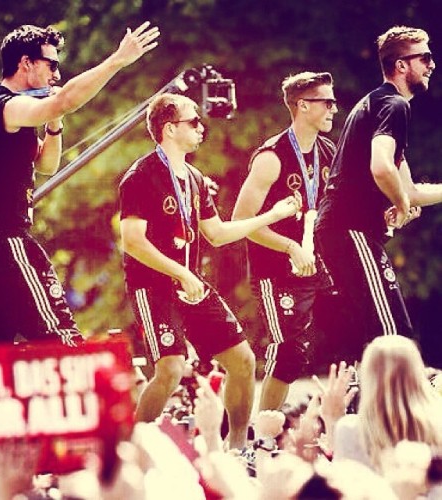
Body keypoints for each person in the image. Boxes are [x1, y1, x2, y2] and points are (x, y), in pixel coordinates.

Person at [0, 22, 159, 348]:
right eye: (52, 64)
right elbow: (65, 100)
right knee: (59, 333)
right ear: (26, 63)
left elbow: (46, 166)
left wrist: (53, 125)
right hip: (3, 237)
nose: (56, 76)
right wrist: (117, 60)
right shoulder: (5, 106)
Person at [118, 92, 301, 449]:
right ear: (170, 129)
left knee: (243, 360)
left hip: (192, 286)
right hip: (153, 287)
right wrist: (181, 273)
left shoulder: (195, 178)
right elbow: (132, 241)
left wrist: (272, 216)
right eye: (193, 122)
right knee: (170, 369)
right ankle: (128, 452)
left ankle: (237, 449)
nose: (202, 127)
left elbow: (216, 234)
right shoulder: (140, 175)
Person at [314, 25, 442, 361]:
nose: (432, 64)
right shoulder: (394, 105)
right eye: (425, 57)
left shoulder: (380, 104)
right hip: (350, 230)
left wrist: (403, 201)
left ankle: (367, 408)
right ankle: (389, 410)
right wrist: (400, 205)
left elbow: (410, 190)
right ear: (402, 65)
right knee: (393, 336)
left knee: (378, 334)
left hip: (348, 232)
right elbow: (382, 168)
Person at [232, 71, 337, 410]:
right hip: (277, 273)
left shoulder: (328, 151)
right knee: (288, 353)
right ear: (303, 106)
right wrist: (290, 246)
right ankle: (261, 433)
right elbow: (241, 223)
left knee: (351, 334)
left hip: (319, 266)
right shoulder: (270, 158)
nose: (335, 109)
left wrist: (388, 211)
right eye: (328, 102)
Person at [333, 336, 442, 475]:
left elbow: (343, 487)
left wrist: (332, 420)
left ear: (368, 378)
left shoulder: (350, 430)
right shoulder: (438, 424)